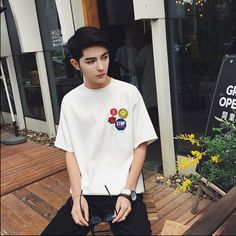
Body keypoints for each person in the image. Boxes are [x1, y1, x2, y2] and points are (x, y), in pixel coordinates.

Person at [41, 26, 158, 235]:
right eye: (91, 61)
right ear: (76, 64)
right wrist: (77, 198)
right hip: (87, 193)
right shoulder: (71, 102)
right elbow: (71, 152)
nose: (101, 66)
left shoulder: (128, 93)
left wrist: (127, 192)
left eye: (104, 57)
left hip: (125, 189)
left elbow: (140, 146)